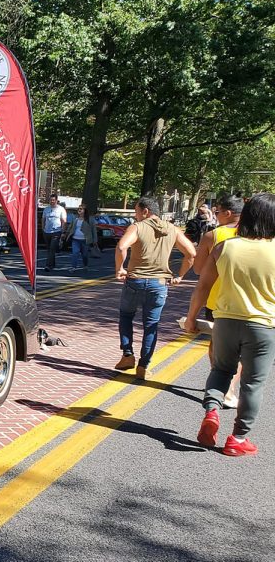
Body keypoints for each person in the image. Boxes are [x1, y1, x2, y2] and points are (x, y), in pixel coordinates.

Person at [187, 193, 275, 456]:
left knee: (222, 370)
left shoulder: (225, 247)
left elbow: (202, 286)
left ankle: (212, 411)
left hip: (225, 321)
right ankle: (238, 438)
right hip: (263, 325)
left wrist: (191, 317)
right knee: (252, 383)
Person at [113, 197, 196, 379]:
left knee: (126, 316)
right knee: (151, 325)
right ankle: (143, 366)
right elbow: (191, 253)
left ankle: (127, 355)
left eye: (136, 211)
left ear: (145, 211)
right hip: (159, 284)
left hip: (135, 280)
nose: (135, 215)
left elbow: (121, 247)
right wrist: (179, 276)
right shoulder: (172, 229)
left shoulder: (138, 227)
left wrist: (120, 268)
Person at [192, 194, 243, 408]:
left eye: (218, 212)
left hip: (217, 299)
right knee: (239, 349)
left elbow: (197, 269)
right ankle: (231, 389)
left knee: (217, 344)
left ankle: (218, 382)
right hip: (247, 301)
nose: (216, 215)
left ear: (228, 213)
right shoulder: (258, 236)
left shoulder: (213, 236)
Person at [64, 204, 97, 272]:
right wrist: (65, 234)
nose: (79, 210)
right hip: (75, 239)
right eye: (79, 208)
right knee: (75, 253)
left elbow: (94, 230)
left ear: (85, 211)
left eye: (81, 209)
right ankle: (73, 267)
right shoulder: (75, 218)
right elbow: (70, 227)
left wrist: (95, 240)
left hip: (85, 240)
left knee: (85, 255)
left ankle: (85, 265)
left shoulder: (90, 219)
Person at [42, 194, 67, 272]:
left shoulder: (61, 209)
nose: (52, 201)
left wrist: (63, 232)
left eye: (53, 200)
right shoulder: (46, 209)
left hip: (56, 232)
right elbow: (43, 219)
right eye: (50, 200)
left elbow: (64, 221)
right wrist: (43, 228)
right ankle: (53, 264)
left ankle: (48, 265)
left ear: (56, 200)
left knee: (52, 248)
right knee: (49, 249)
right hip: (47, 232)